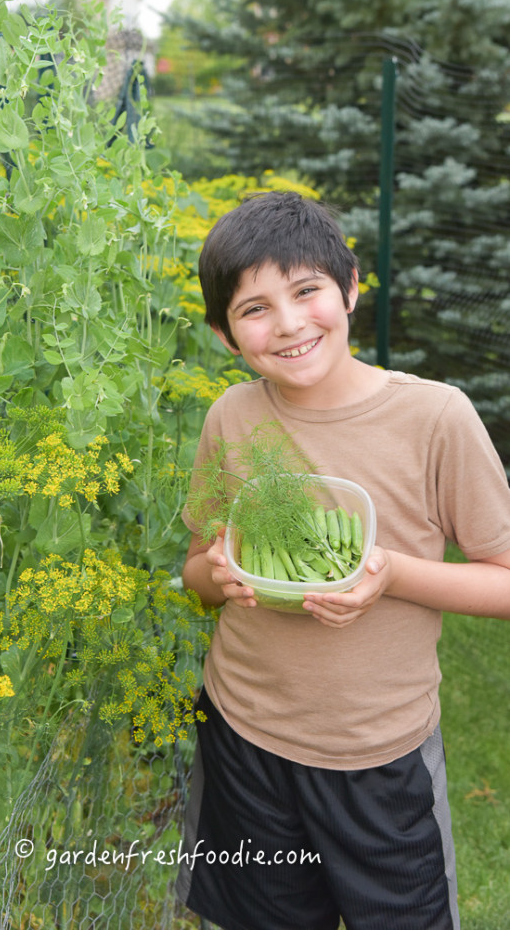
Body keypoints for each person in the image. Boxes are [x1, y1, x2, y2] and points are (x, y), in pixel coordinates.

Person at [176, 191, 510, 930]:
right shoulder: (230, 416)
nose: (289, 324)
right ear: (225, 334)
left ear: (349, 287)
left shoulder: (435, 417)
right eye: (253, 309)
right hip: (243, 738)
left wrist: (389, 572)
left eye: (305, 291)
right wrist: (220, 576)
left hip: (378, 757)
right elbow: (196, 571)